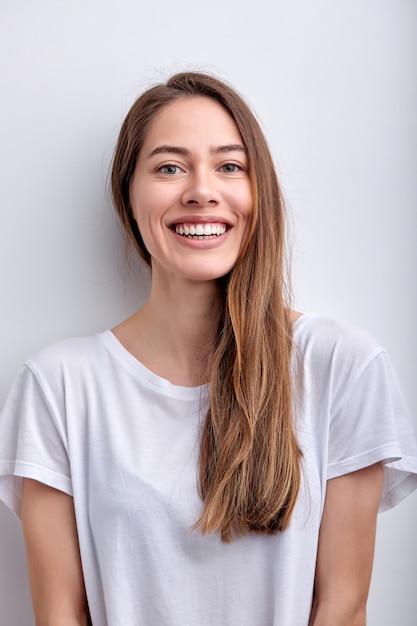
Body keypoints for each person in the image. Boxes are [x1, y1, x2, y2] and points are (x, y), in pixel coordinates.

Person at [0, 71, 416, 626]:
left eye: (229, 166)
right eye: (169, 167)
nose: (201, 190)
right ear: (129, 194)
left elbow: (343, 607)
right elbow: (59, 615)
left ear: (257, 192)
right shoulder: (57, 386)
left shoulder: (341, 366)